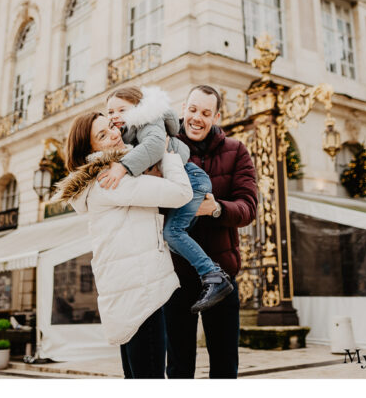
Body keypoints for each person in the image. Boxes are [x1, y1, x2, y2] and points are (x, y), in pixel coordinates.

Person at [52, 111, 192, 379]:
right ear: (88, 150)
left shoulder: (103, 180)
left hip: (130, 295)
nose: (115, 134)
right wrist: (167, 154)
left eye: (112, 127)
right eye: (102, 135)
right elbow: (181, 193)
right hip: (142, 296)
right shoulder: (112, 180)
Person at [97, 85, 234, 312]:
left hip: (192, 179)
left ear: (139, 107)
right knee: (171, 236)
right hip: (187, 179)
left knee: (173, 232)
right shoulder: (129, 131)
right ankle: (211, 271)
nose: (115, 116)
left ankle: (214, 276)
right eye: (110, 112)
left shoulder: (148, 121)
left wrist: (122, 168)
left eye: (121, 109)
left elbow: (154, 146)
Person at [165, 84, 258, 379]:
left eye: (205, 113)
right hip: (176, 276)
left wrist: (216, 209)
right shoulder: (165, 147)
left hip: (222, 276)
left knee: (224, 366)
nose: (197, 118)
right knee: (179, 368)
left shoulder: (237, 151)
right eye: (192, 110)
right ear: (184, 108)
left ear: (216, 116)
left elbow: (248, 208)